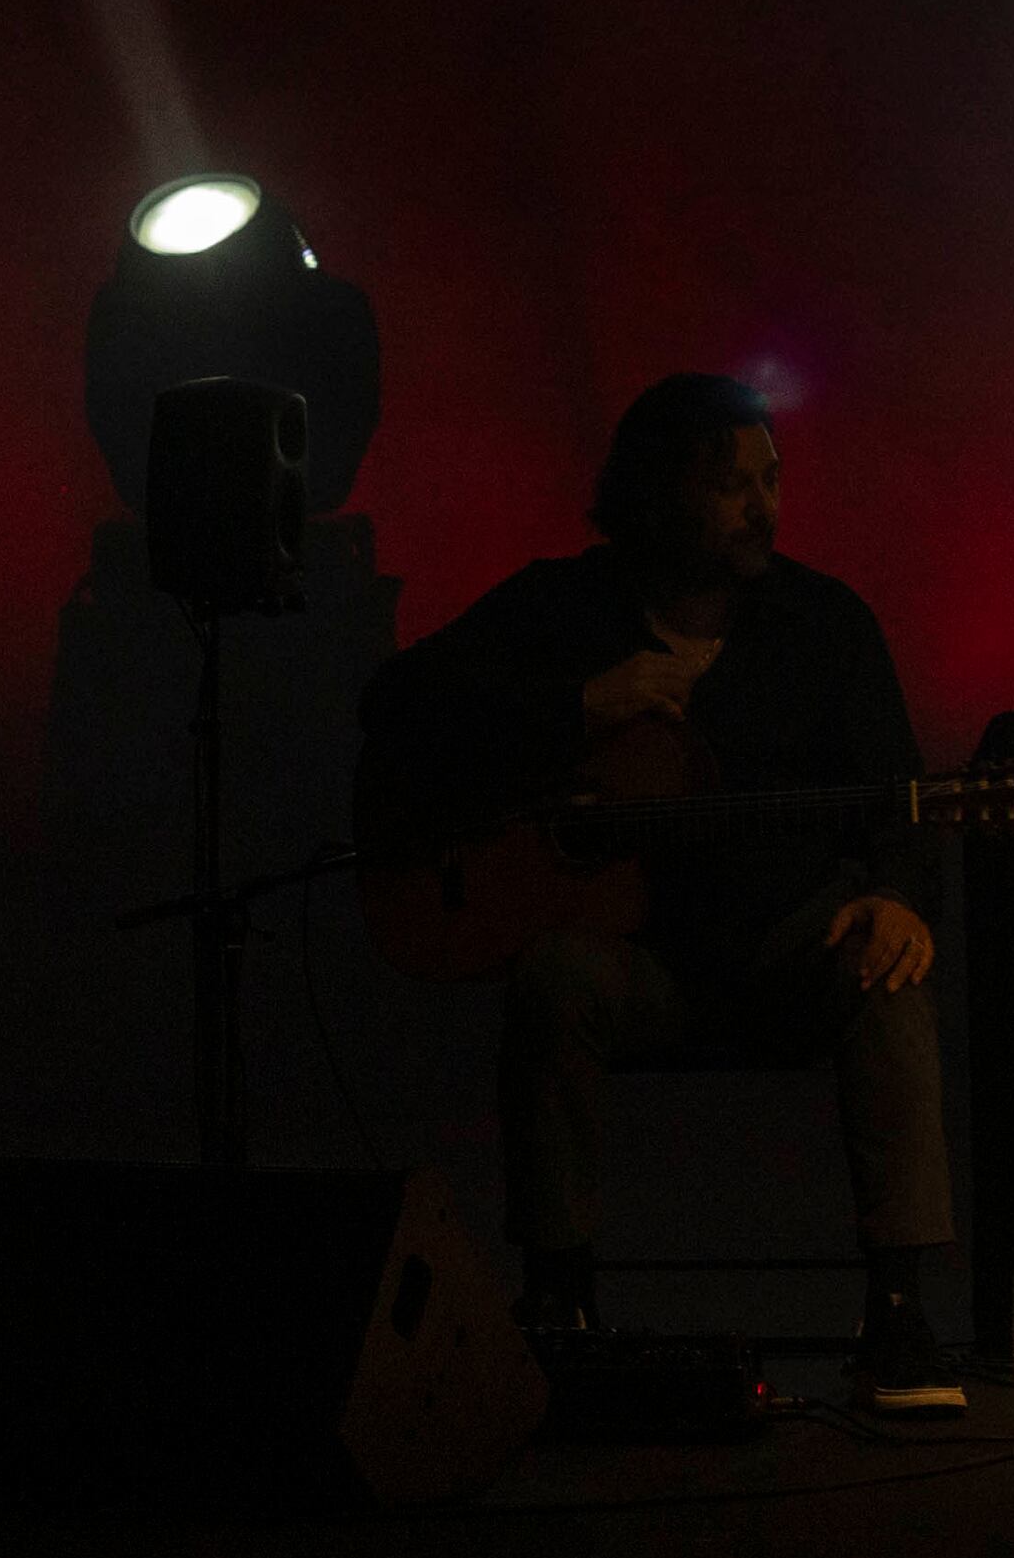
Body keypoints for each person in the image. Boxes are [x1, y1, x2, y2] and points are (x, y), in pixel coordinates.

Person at [354, 374, 962, 1415]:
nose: (762, 507)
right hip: (641, 966)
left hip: (781, 950)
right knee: (553, 976)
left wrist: (897, 896)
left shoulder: (822, 627)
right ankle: (560, 1304)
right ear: (652, 492)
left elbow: (895, 803)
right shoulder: (562, 610)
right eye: (730, 485)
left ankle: (900, 1312)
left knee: (883, 967)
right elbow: (394, 707)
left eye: (771, 480)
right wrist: (572, 707)